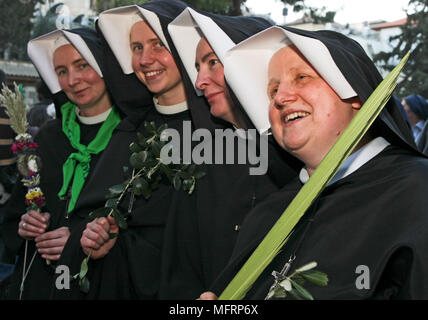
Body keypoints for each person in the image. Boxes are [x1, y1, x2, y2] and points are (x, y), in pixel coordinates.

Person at [199, 26, 428, 300]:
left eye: (302, 77)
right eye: (273, 91)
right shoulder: (267, 214)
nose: (280, 98)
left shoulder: (417, 193)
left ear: (354, 95)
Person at [153, 7, 300, 299]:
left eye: (212, 62)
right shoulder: (202, 158)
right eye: (196, 68)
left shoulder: (301, 154)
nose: (199, 82)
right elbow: (181, 265)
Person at [1, 27, 150, 299]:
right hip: (38, 282)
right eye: (61, 71)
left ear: (104, 66)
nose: (73, 79)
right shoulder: (48, 136)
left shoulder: (135, 139)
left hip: (97, 285)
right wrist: (24, 224)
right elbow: (15, 212)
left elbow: (146, 227)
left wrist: (83, 239)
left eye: (83, 65)